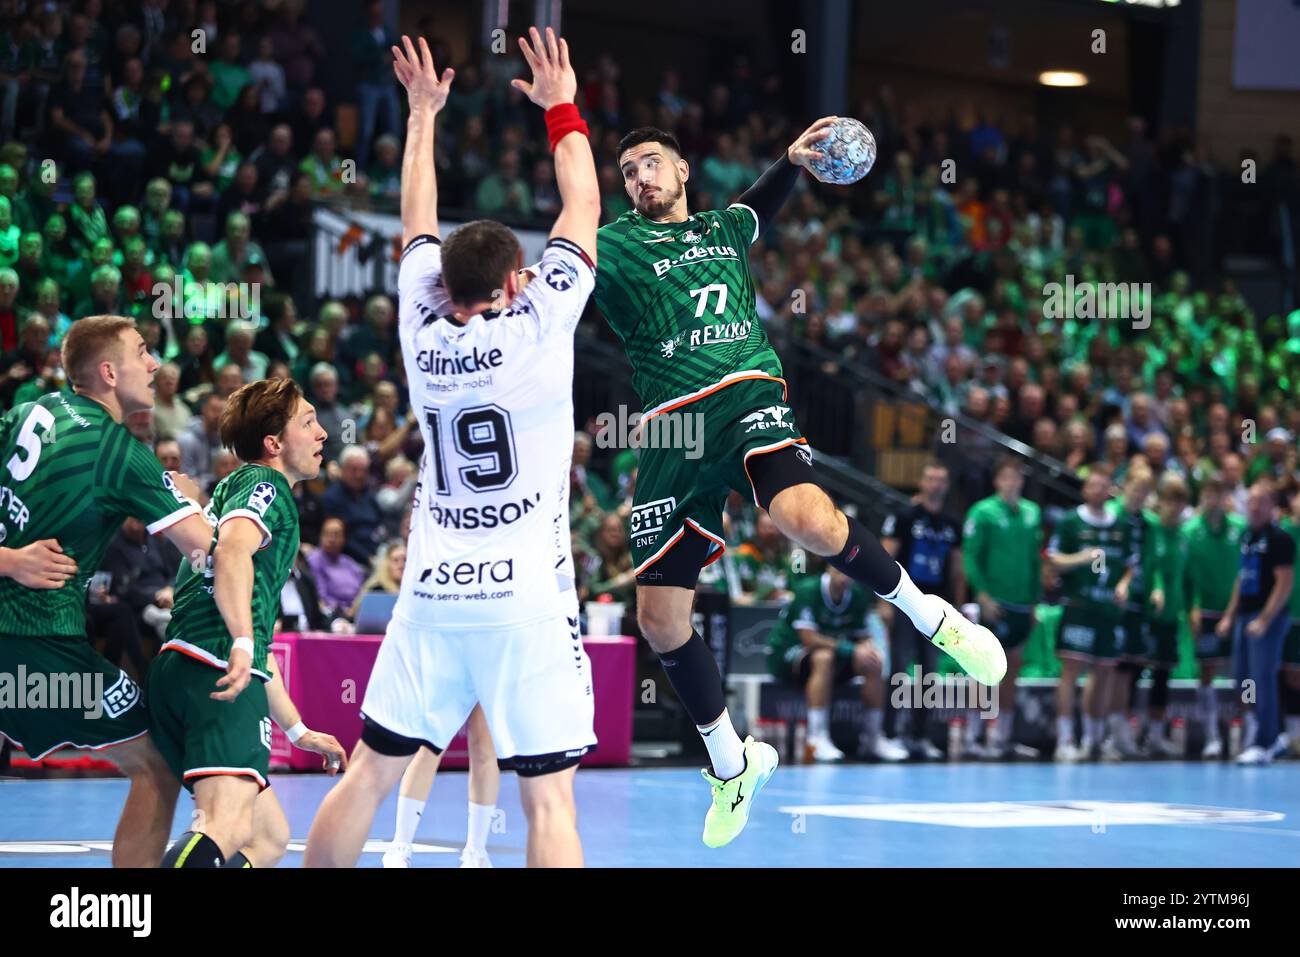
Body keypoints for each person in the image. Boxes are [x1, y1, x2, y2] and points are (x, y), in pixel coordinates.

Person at [593, 119, 1003, 844]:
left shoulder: (723, 228)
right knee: (659, 618)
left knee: (808, 521)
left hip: (746, 389)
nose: (639, 179)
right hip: (669, 427)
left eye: (650, 164)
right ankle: (732, 764)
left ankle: (929, 613)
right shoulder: (614, 244)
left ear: (683, 170)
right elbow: (562, 264)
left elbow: (762, 202)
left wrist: (789, 160)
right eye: (627, 172)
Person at [305, 28, 600, 869]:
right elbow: (582, 206)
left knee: (367, 773)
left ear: (447, 284)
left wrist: (423, 114)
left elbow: (414, 220)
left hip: (432, 591)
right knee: (549, 798)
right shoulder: (543, 321)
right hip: (528, 599)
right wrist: (559, 106)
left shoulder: (417, 319)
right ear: (516, 280)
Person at [0, 314, 215, 867]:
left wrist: (8, 558)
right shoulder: (119, 452)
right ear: (109, 372)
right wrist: (200, 500)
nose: (155, 363)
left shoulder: (30, 411)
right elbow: (207, 550)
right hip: (34, 646)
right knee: (159, 764)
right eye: (142, 351)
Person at [151, 378, 346, 867]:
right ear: (274, 444)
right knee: (227, 824)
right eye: (308, 423)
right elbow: (233, 551)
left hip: (192, 666)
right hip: (213, 667)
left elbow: (257, 640)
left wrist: (299, 732)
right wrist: (240, 642)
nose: (323, 433)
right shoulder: (266, 485)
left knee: (266, 837)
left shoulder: (232, 492)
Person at [767, 567, 907, 762]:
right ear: (829, 568)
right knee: (824, 657)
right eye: (840, 572)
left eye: (849, 573)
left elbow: (863, 637)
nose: (845, 578)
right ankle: (816, 739)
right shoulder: (808, 589)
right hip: (787, 654)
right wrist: (852, 650)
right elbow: (809, 639)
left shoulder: (857, 594)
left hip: (834, 655)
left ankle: (873, 739)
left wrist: (869, 649)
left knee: (873, 662)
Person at [1047, 467, 1134, 762]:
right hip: (1079, 608)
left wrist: (1123, 585)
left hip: (1108, 611)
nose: (1098, 490)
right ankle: (1065, 738)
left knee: (1105, 672)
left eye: (1103, 485)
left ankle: (1095, 738)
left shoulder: (1121, 524)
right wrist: (1081, 558)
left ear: (1109, 490)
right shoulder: (1071, 522)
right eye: (1093, 485)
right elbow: (1054, 559)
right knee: (1071, 671)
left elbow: (1131, 565)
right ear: (1085, 490)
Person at [879, 461, 965, 759]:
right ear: (922, 482)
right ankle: (889, 734)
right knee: (900, 668)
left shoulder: (952, 524)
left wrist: (959, 606)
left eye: (941, 479)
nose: (936, 484)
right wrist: (883, 602)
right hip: (903, 601)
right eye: (931, 478)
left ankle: (920, 736)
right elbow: (885, 558)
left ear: (947, 485)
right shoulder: (904, 516)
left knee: (929, 671)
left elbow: (956, 568)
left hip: (937, 607)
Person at [961, 456, 1043, 759]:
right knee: (982, 670)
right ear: (997, 481)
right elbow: (970, 556)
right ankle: (973, 736)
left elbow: (1036, 560)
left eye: (1016, 477)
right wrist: (981, 595)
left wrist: (1035, 601)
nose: (1011, 482)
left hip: (1023, 605)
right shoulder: (983, 512)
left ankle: (1002, 738)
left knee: (1012, 672)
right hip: (994, 603)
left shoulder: (1033, 514)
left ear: (1021, 482)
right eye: (1005, 477)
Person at [1215, 479, 1295, 765]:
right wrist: (1229, 615)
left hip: (1267, 619)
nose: (1254, 507)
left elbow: (1284, 583)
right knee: (1244, 679)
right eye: (1251, 501)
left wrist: (1264, 619)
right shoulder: (1248, 537)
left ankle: (1268, 741)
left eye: (1261, 501)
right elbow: (1242, 578)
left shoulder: (1280, 539)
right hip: (1245, 617)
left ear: (1273, 506)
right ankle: (1256, 730)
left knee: (1263, 679)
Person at [382, 704, 501, 870]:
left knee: (484, 749)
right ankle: (399, 847)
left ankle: (476, 854)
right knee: (430, 747)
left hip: (491, 678)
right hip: (452, 678)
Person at [1184, 474, 1247, 758]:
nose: (1216, 499)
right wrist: (1193, 607)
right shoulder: (1191, 530)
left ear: (1227, 498)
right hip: (1205, 611)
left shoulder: (1241, 529)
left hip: (1238, 611)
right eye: (1210, 493)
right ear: (1204, 497)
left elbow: (1245, 574)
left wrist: (1233, 611)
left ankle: (1244, 732)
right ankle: (1211, 736)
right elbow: (1188, 575)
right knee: (1206, 671)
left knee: (1245, 675)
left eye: (1220, 494)